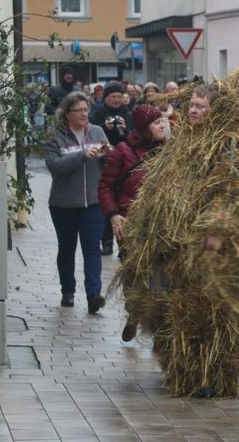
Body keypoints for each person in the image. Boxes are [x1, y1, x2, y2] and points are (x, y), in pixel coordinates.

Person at [114, 75, 239, 398]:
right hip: (180, 248)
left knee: (217, 315)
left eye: (200, 106)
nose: (193, 111)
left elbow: (237, 194)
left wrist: (218, 229)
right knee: (180, 311)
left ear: (217, 111)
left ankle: (216, 376)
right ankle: (187, 374)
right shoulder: (182, 145)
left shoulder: (230, 147)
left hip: (218, 251)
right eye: (191, 105)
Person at [97, 104, 166, 342]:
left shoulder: (168, 151)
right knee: (133, 274)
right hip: (130, 225)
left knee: (159, 275)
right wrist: (114, 214)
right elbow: (105, 186)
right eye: (157, 123)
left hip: (159, 225)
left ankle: (157, 323)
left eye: (162, 122)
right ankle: (134, 313)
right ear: (145, 127)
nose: (162, 126)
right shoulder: (122, 152)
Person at [44, 92, 109, 313]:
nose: (84, 114)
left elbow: (110, 165)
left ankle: (94, 295)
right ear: (67, 113)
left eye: (86, 109)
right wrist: (82, 154)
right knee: (67, 248)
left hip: (93, 202)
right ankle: (68, 291)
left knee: (92, 248)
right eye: (79, 110)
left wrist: (108, 154)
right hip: (63, 204)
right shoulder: (55, 135)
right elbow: (54, 166)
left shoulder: (97, 131)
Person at [89, 81, 134, 256]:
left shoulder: (127, 113)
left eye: (119, 97)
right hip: (104, 164)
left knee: (123, 204)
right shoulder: (97, 114)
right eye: (112, 97)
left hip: (124, 165)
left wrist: (126, 127)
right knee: (107, 204)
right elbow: (91, 136)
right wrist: (103, 128)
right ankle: (106, 242)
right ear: (105, 98)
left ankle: (123, 245)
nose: (116, 100)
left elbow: (133, 137)